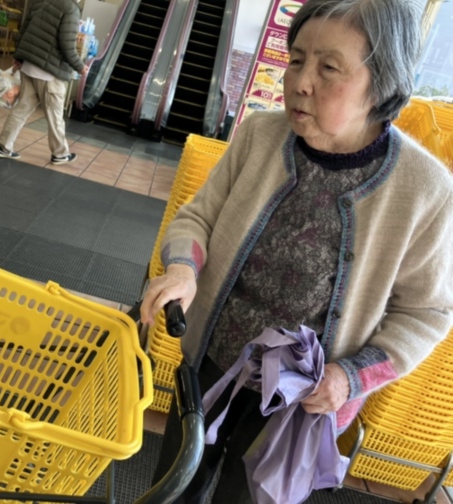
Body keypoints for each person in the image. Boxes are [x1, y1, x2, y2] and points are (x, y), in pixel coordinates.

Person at [140, 0, 453, 502]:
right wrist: (182, 269)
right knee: (174, 485)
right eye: (296, 59)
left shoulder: (426, 189)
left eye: (329, 68)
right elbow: (198, 217)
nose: (300, 82)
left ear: (383, 83)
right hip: (210, 363)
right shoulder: (260, 134)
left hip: (303, 402)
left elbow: (427, 313)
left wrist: (349, 379)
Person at [0, 0, 88, 165]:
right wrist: (80, 67)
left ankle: (3, 146)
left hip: (29, 66)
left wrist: (19, 56)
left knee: (21, 110)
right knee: (55, 115)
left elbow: (24, 29)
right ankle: (60, 154)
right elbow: (67, 44)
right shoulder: (71, 8)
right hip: (50, 73)